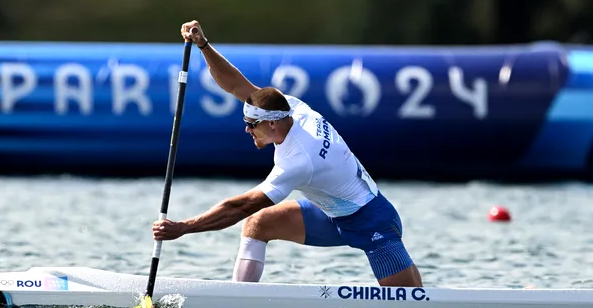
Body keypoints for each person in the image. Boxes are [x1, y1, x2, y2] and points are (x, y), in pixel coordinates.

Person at [151, 20, 423, 288]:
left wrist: (183, 227)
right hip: (329, 215)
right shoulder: (290, 106)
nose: (247, 130)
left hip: (371, 220)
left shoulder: (298, 159)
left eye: (251, 125)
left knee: (409, 302)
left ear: (271, 123)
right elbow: (236, 85)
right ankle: (241, 299)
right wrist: (203, 45)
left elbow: (241, 206)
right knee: (259, 224)